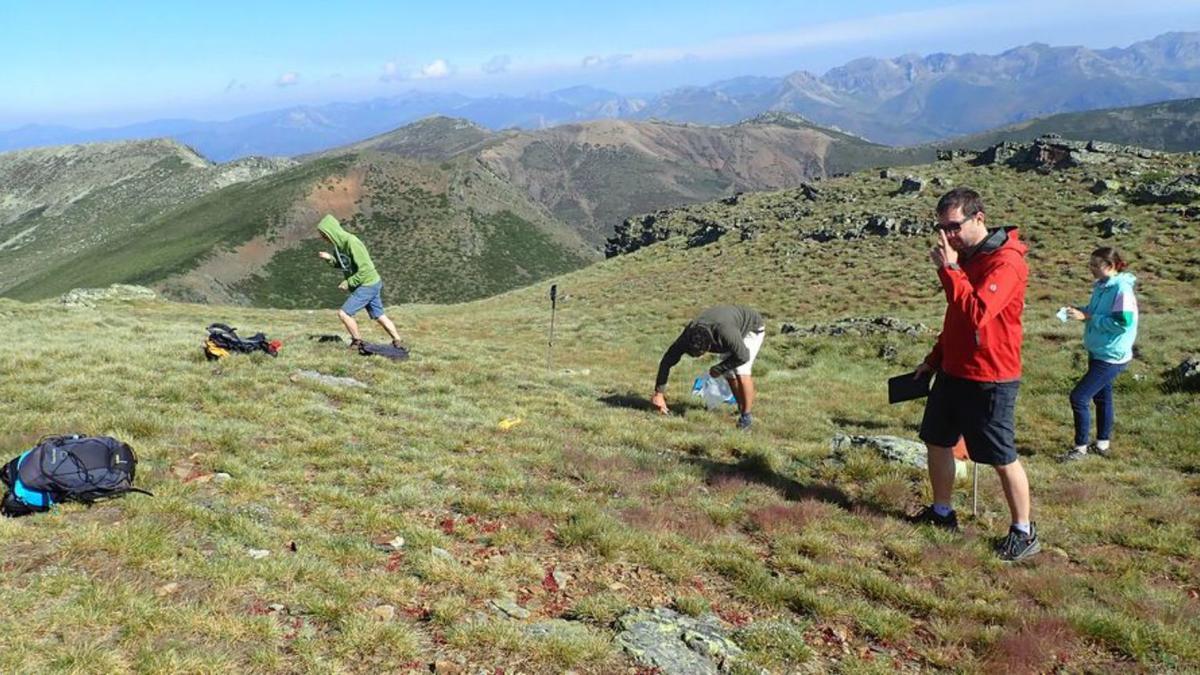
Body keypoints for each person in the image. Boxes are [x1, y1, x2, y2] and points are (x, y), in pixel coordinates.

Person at [911, 187, 1040, 562]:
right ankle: (941, 512)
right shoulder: (967, 258)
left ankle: (1023, 530)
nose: (948, 236)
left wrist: (949, 269)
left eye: (954, 227)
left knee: (1001, 455)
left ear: (978, 218)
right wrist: (934, 359)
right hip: (953, 372)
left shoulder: (1006, 263)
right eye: (942, 228)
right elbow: (955, 320)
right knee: (937, 440)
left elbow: (976, 313)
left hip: (990, 375)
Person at [1061, 247, 1138, 461]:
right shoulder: (1102, 286)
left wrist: (1088, 317)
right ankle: (1102, 444)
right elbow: (1097, 311)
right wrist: (1079, 310)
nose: (1091, 269)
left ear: (1111, 266)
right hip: (1099, 350)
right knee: (1103, 397)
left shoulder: (1121, 289)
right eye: (1091, 264)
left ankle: (1080, 449)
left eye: (1096, 265)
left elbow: (1123, 322)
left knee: (1079, 397)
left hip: (1112, 354)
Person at [651, 305, 765, 429]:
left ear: (710, 345)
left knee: (741, 369)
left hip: (751, 328)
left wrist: (719, 368)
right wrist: (659, 393)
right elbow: (667, 360)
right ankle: (741, 407)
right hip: (730, 326)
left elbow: (743, 356)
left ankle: (746, 417)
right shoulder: (688, 335)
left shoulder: (725, 333)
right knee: (729, 373)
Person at [315, 214, 404, 349]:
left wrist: (348, 282)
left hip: (367, 284)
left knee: (344, 313)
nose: (322, 238)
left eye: (323, 234)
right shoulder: (338, 246)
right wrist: (329, 258)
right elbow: (343, 264)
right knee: (379, 315)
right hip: (371, 283)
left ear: (331, 232)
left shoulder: (352, 242)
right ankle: (398, 341)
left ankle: (357, 342)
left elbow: (366, 269)